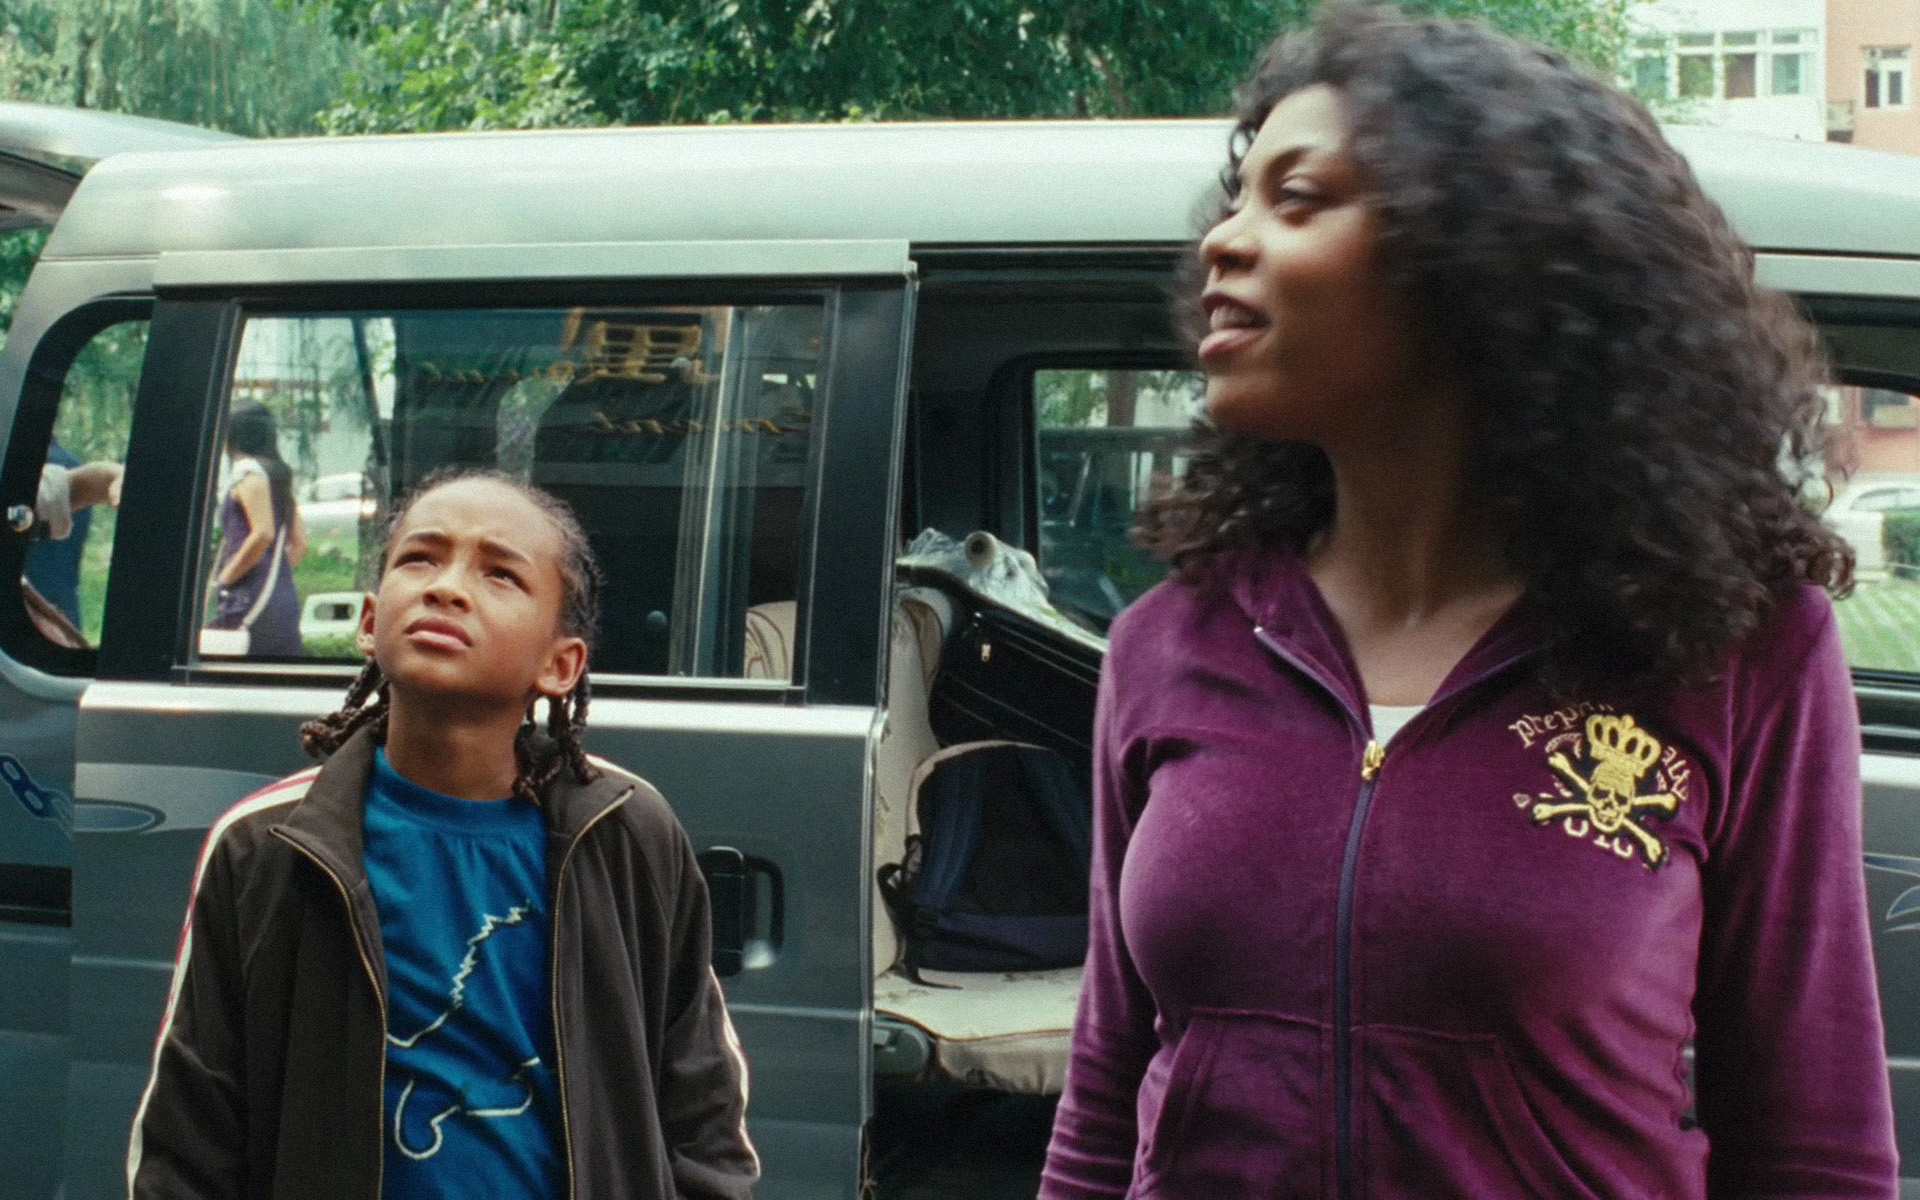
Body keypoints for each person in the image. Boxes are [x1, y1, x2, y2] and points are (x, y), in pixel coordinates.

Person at [1041, 6, 1897, 1199]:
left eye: (1299, 199)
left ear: (1478, 262)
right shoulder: (1168, 643)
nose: (1223, 243)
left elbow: (1813, 1144)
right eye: (1237, 199)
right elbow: (1103, 1097)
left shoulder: (1736, 648)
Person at [128, 468, 759, 1199]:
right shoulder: (268, 846)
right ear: (370, 623)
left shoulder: (625, 830)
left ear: (561, 665)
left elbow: (703, 1107)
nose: (447, 588)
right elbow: (189, 1139)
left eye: (500, 575)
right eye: (420, 559)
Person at [208, 403, 307, 656]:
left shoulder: (247, 475)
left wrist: (225, 577)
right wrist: (275, 573)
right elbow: (300, 544)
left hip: (248, 598)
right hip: (282, 598)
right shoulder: (278, 478)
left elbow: (262, 534)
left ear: (230, 436)